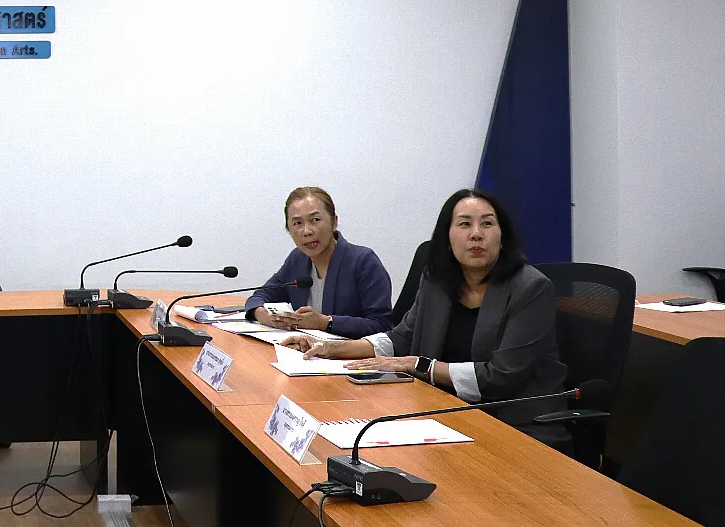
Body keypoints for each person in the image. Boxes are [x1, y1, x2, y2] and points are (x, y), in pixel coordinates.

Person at [280, 188, 569, 448]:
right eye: (464, 224)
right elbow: (401, 338)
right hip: (445, 412)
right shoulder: (437, 280)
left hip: (516, 425)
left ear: (503, 237)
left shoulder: (530, 288)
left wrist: (418, 365)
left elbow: (500, 377)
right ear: (447, 238)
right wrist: (332, 348)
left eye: (487, 224)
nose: (476, 234)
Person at [242, 186, 393, 338]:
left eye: (315, 220)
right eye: (297, 223)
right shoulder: (297, 260)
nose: (307, 231)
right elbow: (260, 296)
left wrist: (325, 322)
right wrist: (264, 315)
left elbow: (382, 325)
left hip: (349, 351)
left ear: (334, 222)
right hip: (304, 349)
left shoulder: (363, 262)